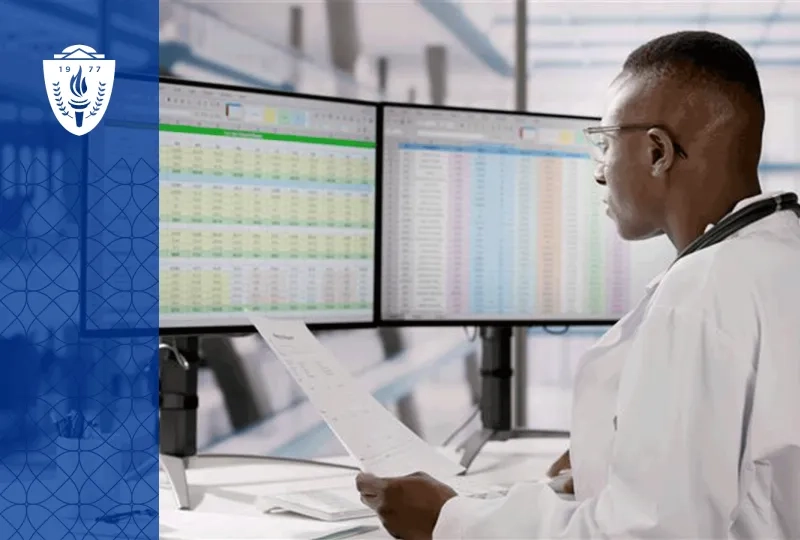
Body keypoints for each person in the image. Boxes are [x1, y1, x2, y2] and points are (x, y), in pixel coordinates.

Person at [356, 30, 800, 539]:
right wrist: (604, 463)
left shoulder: (703, 293)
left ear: (657, 152)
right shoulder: (778, 250)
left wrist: (448, 521)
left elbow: (646, 534)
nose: (599, 172)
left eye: (606, 144)